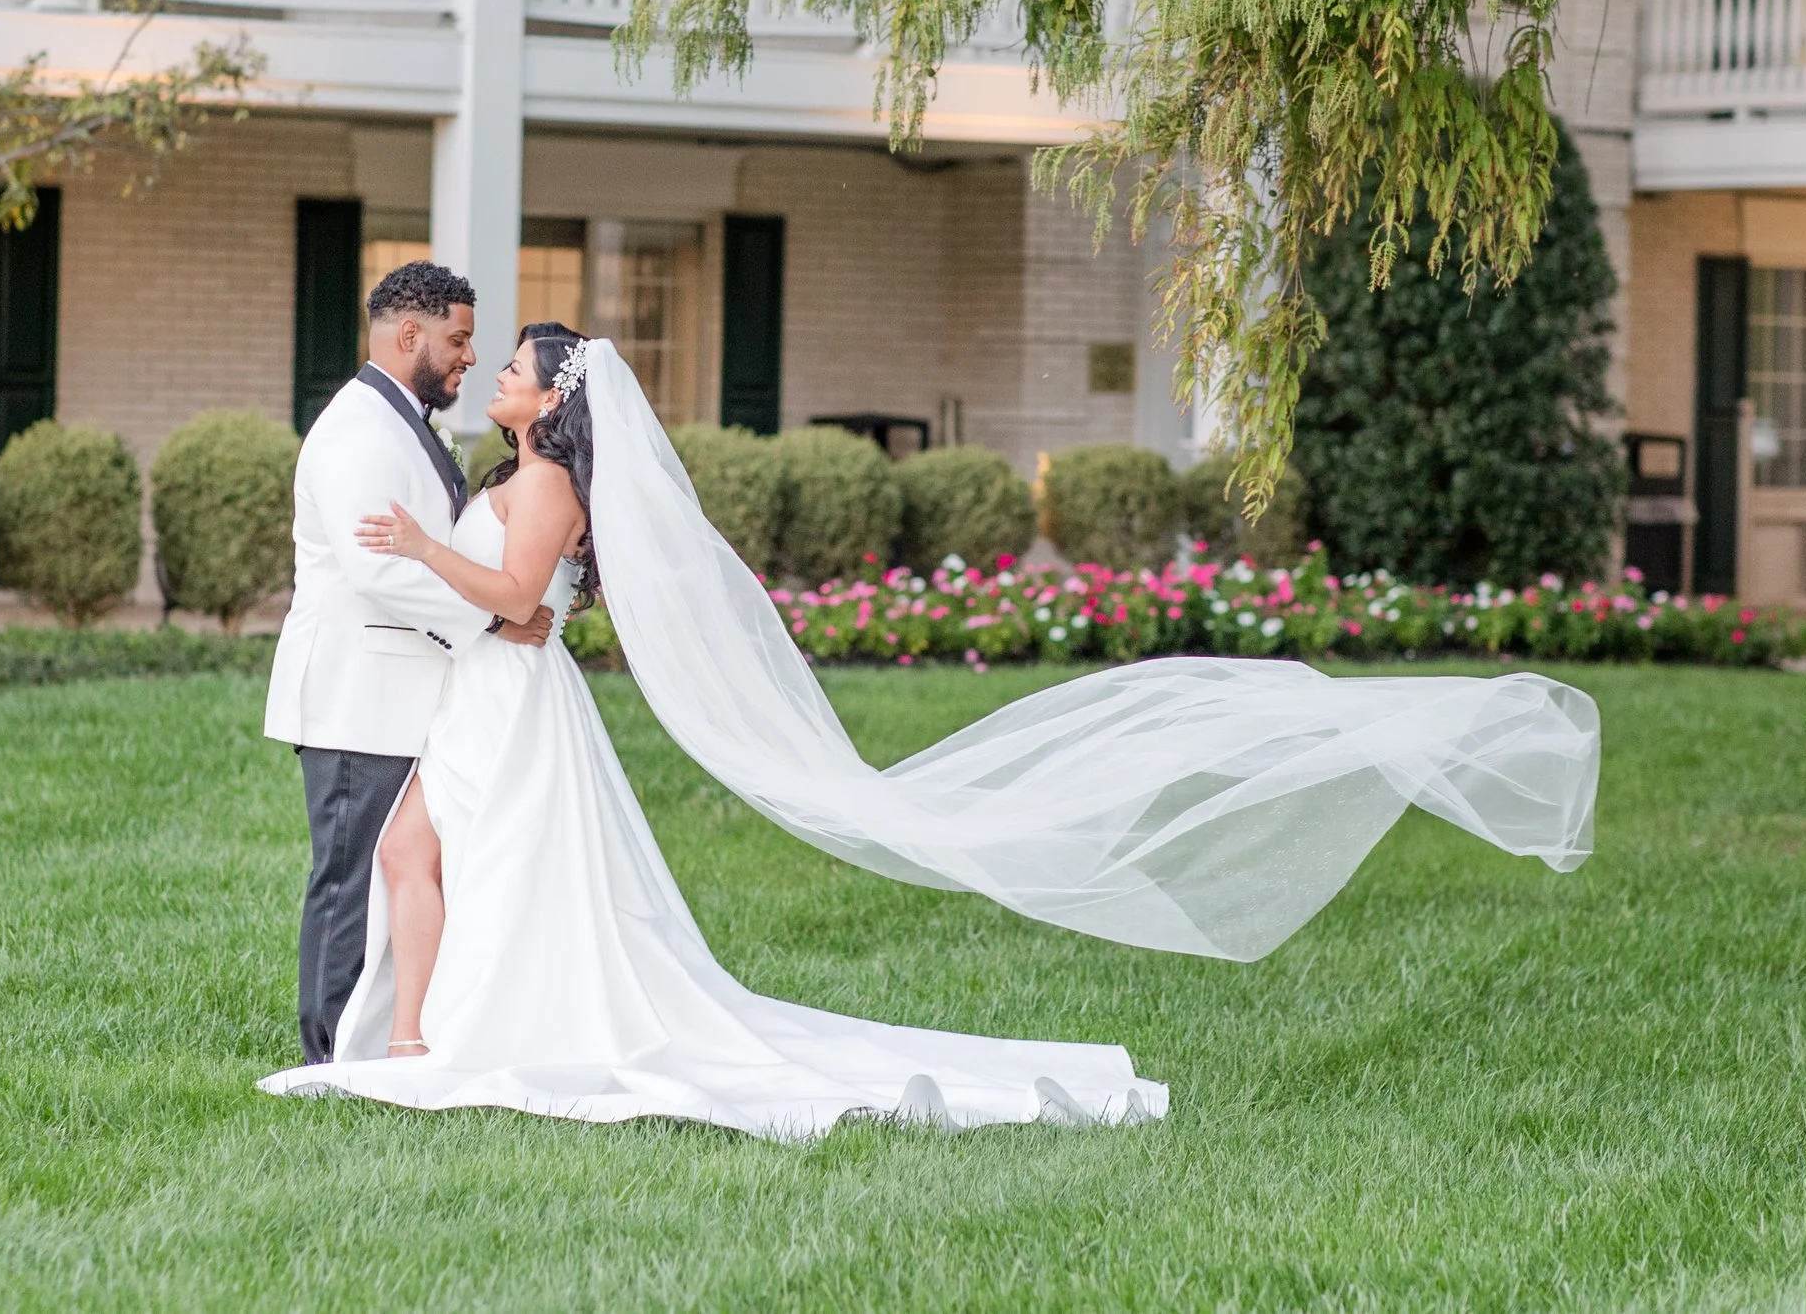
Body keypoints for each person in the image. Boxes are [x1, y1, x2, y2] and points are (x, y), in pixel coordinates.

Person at [260, 329, 1600, 1138]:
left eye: (514, 367)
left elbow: (521, 608)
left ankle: (445, 1034)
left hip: (512, 696)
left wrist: (420, 551)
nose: (497, 375)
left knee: (434, 857)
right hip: (484, 701)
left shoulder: (550, 478)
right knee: (410, 858)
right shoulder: (522, 471)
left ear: (553, 399)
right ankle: (424, 1030)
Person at [260, 262, 550, 1066]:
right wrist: (495, 615)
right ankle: (329, 1056)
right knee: (350, 877)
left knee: (399, 871)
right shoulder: (358, 429)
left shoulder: (404, 421)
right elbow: (376, 570)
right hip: (359, 693)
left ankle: (395, 1031)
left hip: (403, 691)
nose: (467, 358)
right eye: (458, 340)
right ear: (410, 333)